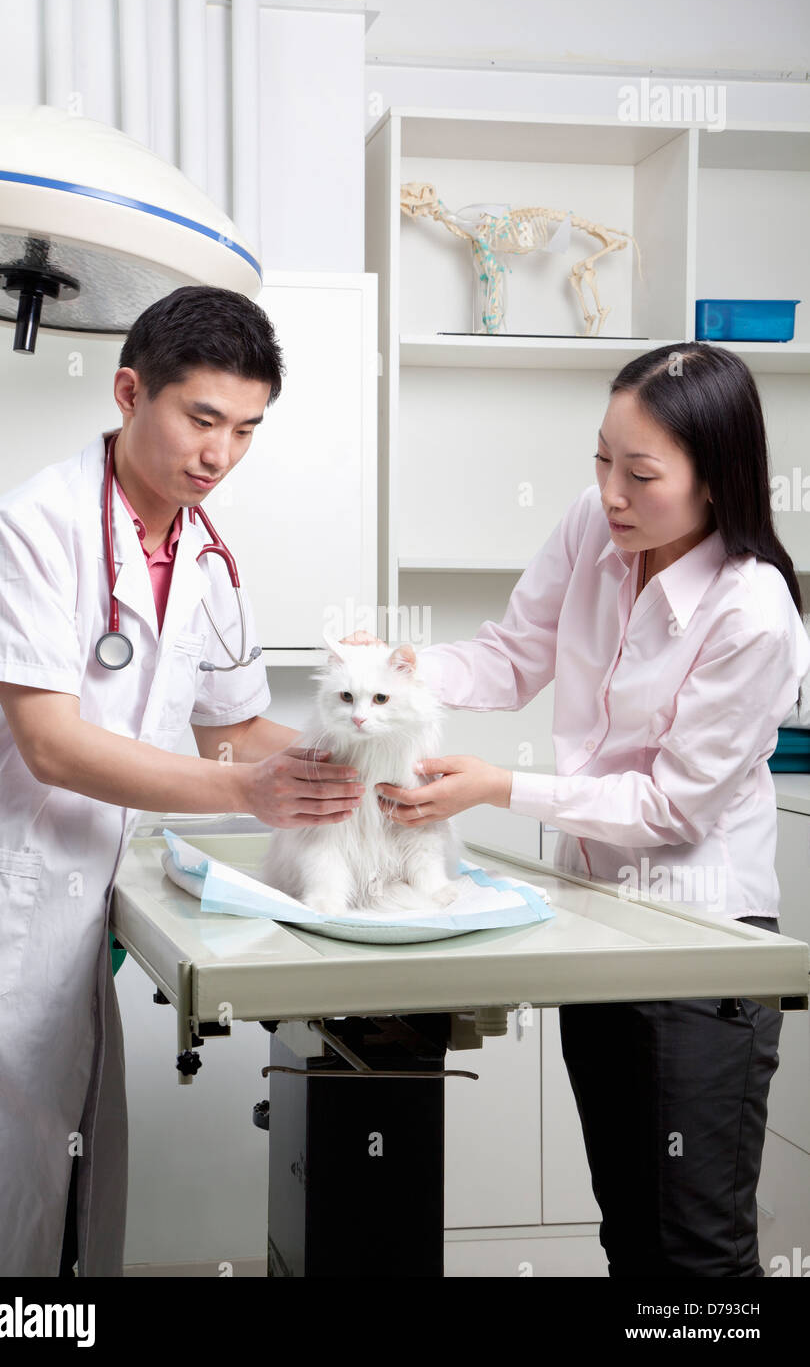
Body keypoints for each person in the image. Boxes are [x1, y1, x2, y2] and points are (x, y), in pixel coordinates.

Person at [347, 341, 810, 1277]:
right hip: (597, 928)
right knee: (632, 1234)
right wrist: (395, 669)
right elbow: (512, 655)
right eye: (602, 459)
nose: (610, 494)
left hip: (699, 944)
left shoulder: (753, 614)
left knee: (698, 1252)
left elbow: (671, 806)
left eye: (641, 474)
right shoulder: (592, 531)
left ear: (716, 480)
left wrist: (497, 788)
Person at [0, 286, 367, 1277]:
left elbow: (228, 730)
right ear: (132, 391)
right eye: (202, 418)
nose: (219, 454)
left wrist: (358, 755)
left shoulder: (206, 556)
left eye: (246, 431)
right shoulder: (30, 530)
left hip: (86, 902)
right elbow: (51, 743)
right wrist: (247, 791)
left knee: (65, 1175)